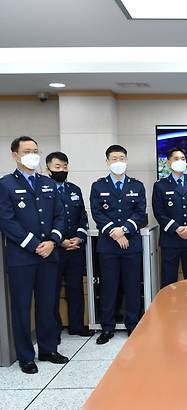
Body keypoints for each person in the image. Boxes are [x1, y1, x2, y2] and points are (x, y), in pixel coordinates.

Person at [0, 136, 69, 374]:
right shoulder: (6, 184)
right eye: (27, 151)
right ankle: (26, 356)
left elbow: (60, 216)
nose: (33, 155)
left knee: (48, 304)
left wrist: (52, 241)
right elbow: (6, 221)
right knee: (21, 307)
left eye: (36, 150)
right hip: (22, 258)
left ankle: (48, 349)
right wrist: (34, 245)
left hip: (49, 254)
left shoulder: (47, 183)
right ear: (15, 155)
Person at [89, 145, 147, 344]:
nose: (118, 162)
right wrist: (115, 231)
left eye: (121, 158)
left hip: (131, 244)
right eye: (114, 158)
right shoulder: (98, 186)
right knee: (108, 286)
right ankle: (107, 327)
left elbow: (140, 213)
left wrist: (124, 230)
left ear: (127, 160)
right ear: (107, 162)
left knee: (132, 286)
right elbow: (97, 213)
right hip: (108, 245)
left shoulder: (137, 186)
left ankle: (133, 324)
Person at [46, 151, 93, 338]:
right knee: (53, 289)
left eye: (64, 167)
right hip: (55, 248)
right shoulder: (44, 190)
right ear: (47, 169)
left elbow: (82, 216)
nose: (62, 170)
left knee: (75, 288)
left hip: (75, 247)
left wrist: (79, 238)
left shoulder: (74, 189)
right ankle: (54, 327)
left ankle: (77, 326)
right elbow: (44, 220)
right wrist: (60, 241)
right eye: (57, 167)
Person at [152, 147, 187, 288]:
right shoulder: (160, 186)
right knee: (169, 281)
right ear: (169, 162)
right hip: (170, 240)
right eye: (176, 159)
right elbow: (158, 212)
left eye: (183, 159)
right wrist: (176, 228)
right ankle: (169, 309)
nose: (180, 161)